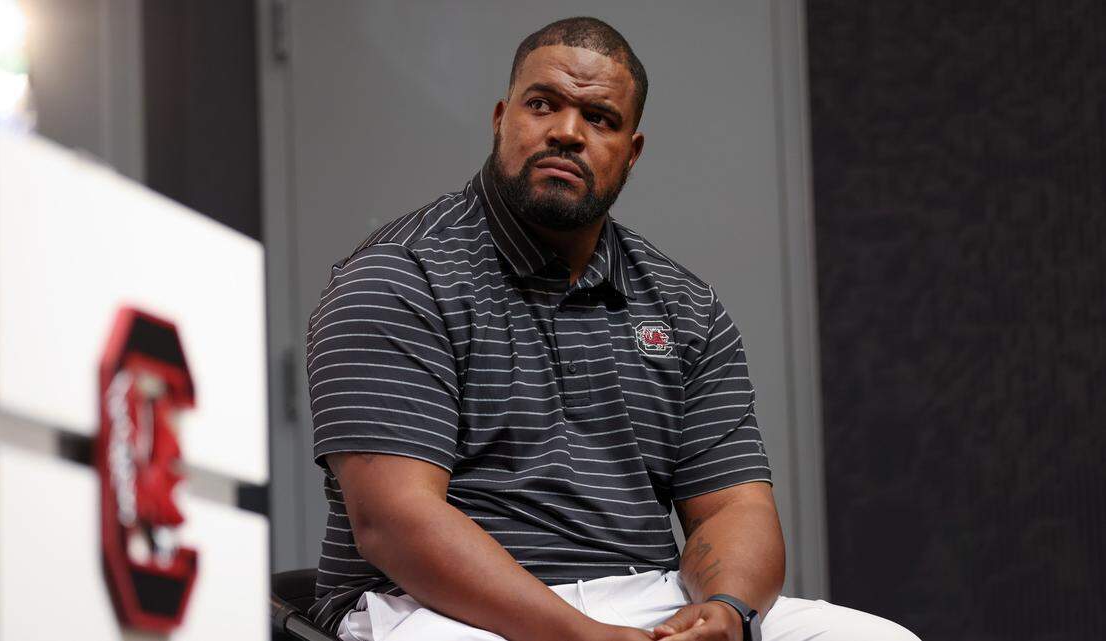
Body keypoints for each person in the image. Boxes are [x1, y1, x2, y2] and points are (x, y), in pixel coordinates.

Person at [305, 16, 920, 641]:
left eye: (599, 118)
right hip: (435, 607)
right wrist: (580, 636)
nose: (566, 133)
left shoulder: (684, 305)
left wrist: (728, 610)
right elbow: (394, 521)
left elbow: (736, 505)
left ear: (632, 152)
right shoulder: (400, 275)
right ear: (501, 118)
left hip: (642, 597)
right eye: (542, 105)